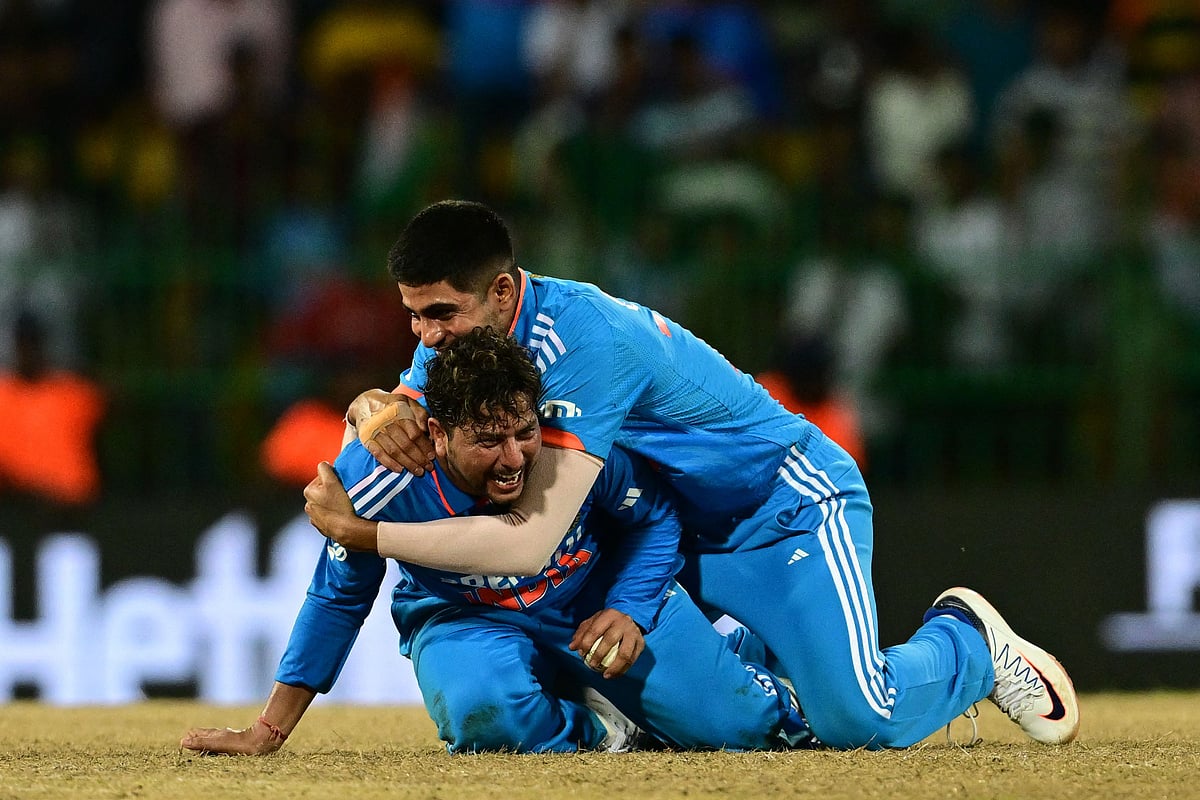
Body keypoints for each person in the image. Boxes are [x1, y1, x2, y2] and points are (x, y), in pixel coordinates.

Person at [304, 200, 1080, 749]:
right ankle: (751, 673)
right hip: (672, 521)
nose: (423, 337)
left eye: (438, 315)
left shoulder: (586, 343)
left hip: (774, 509)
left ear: (501, 292)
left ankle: (968, 646)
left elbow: (531, 538)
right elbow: (404, 402)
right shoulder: (464, 339)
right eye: (414, 317)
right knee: (719, 716)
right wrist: (365, 407)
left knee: (857, 722)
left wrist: (364, 531)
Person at [183, 327, 813, 755]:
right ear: (437, 433)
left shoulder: (574, 449)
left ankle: (752, 652)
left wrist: (631, 607)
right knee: (482, 710)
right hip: (464, 618)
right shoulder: (377, 479)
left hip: (589, 601)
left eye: (522, 431)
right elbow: (336, 600)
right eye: (489, 441)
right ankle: (604, 728)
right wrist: (269, 728)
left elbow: (654, 519)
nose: (515, 459)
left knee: (741, 730)